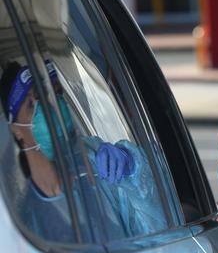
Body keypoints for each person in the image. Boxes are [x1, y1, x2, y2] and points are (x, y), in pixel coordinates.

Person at [0, 59, 166, 242]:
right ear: (16, 129)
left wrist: (133, 168)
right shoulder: (22, 223)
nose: (50, 108)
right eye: (32, 104)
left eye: (55, 93)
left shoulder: (97, 162)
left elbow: (156, 231)